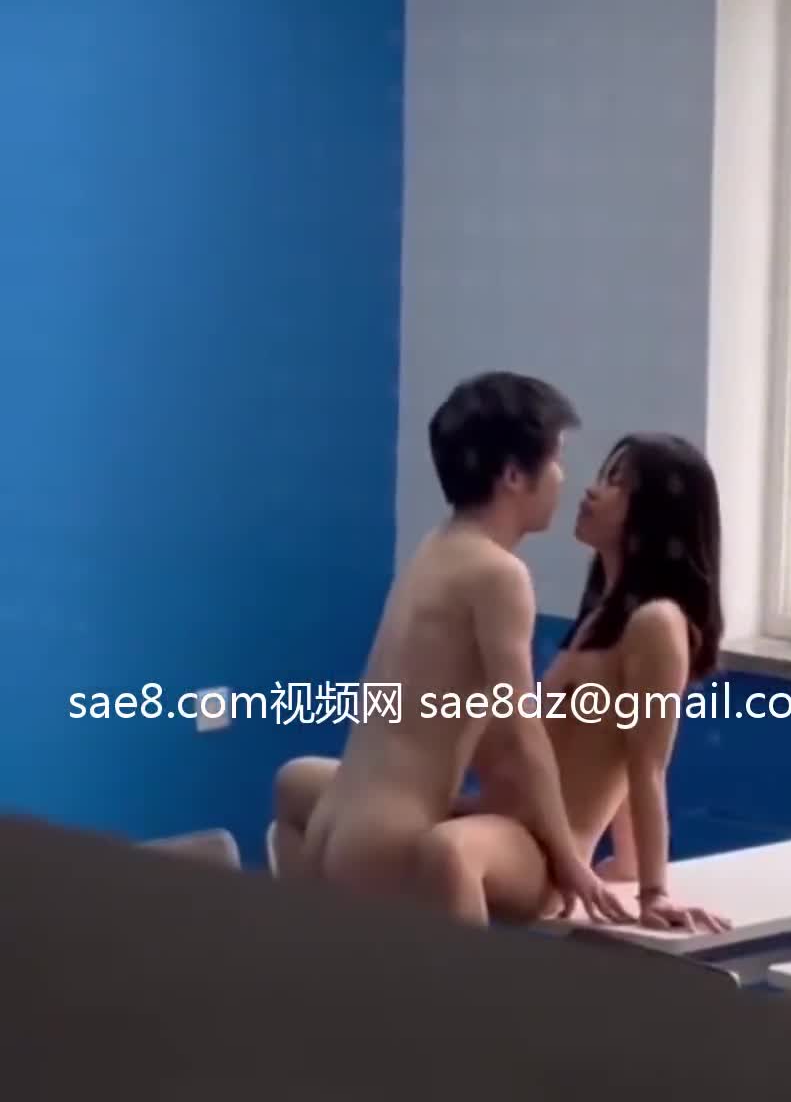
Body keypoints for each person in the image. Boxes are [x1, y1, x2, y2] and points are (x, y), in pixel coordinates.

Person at [279, 431, 729, 935]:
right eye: (604, 474)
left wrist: (652, 890)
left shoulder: (657, 623)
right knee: (300, 783)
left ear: (657, 512)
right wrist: (624, 861)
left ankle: (472, 985)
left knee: (450, 852)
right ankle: (310, 944)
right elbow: (615, 744)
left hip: (543, 852)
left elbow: (646, 764)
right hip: (497, 817)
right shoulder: (598, 617)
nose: (592, 489)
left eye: (617, 483)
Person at [274, 371, 626, 925]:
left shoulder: (435, 546)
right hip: (387, 844)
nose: (563, 478)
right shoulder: (500, 574)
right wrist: (568, 857)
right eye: (556, 460)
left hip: (337, 821)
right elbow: (522, 729)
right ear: (514, 475)